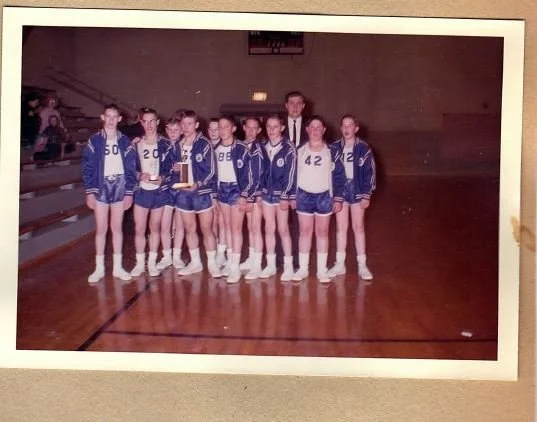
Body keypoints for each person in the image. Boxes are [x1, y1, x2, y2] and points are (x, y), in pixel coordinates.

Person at [82, 103, 136, 284]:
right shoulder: (94, 140)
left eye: (115, 117)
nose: (112, 120)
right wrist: (90, 192)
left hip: (120, 185)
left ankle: (118, 267)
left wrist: (129, 192)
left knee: (117, 227)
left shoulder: (125, 141)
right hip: (101, 186)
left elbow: (130, 169)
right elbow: (88, 167)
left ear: (120, 119)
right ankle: (99, 268)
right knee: (101, 228)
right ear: (102, 117)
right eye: (108, 116)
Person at [292, 115, 346, 283]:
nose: (315, 130)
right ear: (307, 130)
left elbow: (339, 176)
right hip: (303, 195)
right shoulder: (298, 150)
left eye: (318, 127)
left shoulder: (332, 151)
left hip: (324, 195)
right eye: (312, 127)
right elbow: (292, 175)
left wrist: (337, 198)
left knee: (322, 232)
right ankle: (303, 269)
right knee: (305, 232)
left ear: (324, 130)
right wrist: (293, 195)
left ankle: (322, 270)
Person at [172, 110, 221, 278]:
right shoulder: (178, 145)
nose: (186, 127)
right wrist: (176, 168)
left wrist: (197, 184)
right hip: (184, 192)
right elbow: (176, 169)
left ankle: (212, 264)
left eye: (189, 124)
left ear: (196, 125)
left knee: (207, 228)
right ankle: (195, 263)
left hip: (201, 191)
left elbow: (211, 171)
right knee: (189, 228)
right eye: (183, 124)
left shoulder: (204, 143)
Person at [327, 115, 376, 280]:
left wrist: (366, 194)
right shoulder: (333, 148)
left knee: (358, 227)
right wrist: (333, 194)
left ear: (356, 128)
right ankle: (340, 264)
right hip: (340, 191)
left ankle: (362, 264)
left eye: (350, 126)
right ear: (341, 129)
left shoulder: (363, 148)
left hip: (357, 190)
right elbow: (329, 173)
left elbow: (370, 173)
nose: (347, 129)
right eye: (344, 126)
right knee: (341, 228)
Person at [130, 107, 174, 277]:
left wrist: (163, 177)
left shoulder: (166, 144)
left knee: (154, 227)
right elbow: (129, 169)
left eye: (152, 121)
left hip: (159, 191)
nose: (149, 125)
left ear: (157, 122)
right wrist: (139, 174)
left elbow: (172, 168)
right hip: (142, 191)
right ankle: (140, 263)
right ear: (141, 122)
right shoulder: (135, 144)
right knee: (140, 228)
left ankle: (153, 262)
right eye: (145, 121)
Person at [214, 116, 254, 284]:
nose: (223, 130)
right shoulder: (215, 148)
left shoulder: (242, 148)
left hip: (236, 190)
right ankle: (231, 262)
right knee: (227, 227)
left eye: (226, 127)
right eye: (220, 127)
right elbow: (214, 174)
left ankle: (236, 266)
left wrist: (244, 194)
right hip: (222, 189)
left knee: (236, 228)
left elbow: (248, 175)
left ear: (233, 129)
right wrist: (215, 196)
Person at [259, 114, 296, 281]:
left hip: (281, 195)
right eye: (268, 126)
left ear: (282, 128)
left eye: (275, 126)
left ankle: (288, 267)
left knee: (283, 229)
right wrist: (260, 191)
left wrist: (285, 195)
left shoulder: (289, 147)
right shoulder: (263, 146)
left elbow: (291, 174)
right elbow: (260, 171)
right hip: (266, 194)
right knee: (269, 228)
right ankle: (271, 264)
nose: (272, 130)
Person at [156, 117, 186, 270]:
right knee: (165, 224)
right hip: (166, 189)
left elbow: (187, 174)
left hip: (181, 189)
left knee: (180, 225)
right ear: (166, 131)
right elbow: (159, 170)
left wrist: (181, 170)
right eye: (170, 130)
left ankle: (177, 255)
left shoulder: (185, 146)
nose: (173, 133)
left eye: (176, 130)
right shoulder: (162, 146)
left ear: (181, 130)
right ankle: (166, 256)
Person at [239, 117, 264, 280]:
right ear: (244, 127)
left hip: (255, 195)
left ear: (259, 131)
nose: (251, 131)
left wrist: (251, 197)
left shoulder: (259, 148)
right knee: (250, 228)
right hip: (244, 193)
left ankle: (257, 264)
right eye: (248, 127)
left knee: (256, 228)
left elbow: (258, 175)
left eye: (255, 128)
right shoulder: (240, 146)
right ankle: (251, 257)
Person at [206, 117, 227, 267]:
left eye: (216, 129)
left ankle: (222, 254)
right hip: (209, 191)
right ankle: (214, 253)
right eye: (211, 129)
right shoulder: (204, 147)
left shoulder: (226, 146)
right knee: (211, 223)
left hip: (224, 190)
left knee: (223, 223)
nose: (213, 132)